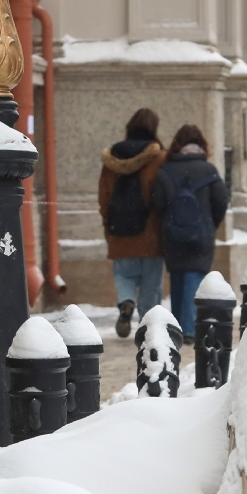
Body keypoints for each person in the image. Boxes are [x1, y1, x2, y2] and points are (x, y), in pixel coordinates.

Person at [151, 124, 229, 338]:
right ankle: (189, 328)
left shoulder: (166, 171)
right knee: (194, 277)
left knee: (177, 279)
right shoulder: (209, 170)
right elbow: (221, 201)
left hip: (173, 234)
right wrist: (210, 224)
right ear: (201, 145)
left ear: (177, 145)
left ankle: (177, 326)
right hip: (201, 233)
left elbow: (158, 202)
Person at [97, 108, 165, 337]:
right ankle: (150, 325)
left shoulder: (111, 161)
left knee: (123, 276)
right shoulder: (160, 158)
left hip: (120, 234)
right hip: (151, 234)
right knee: (151, 283)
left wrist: (109, 226)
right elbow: (163, 196)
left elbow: (104, 198)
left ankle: (126, 303)